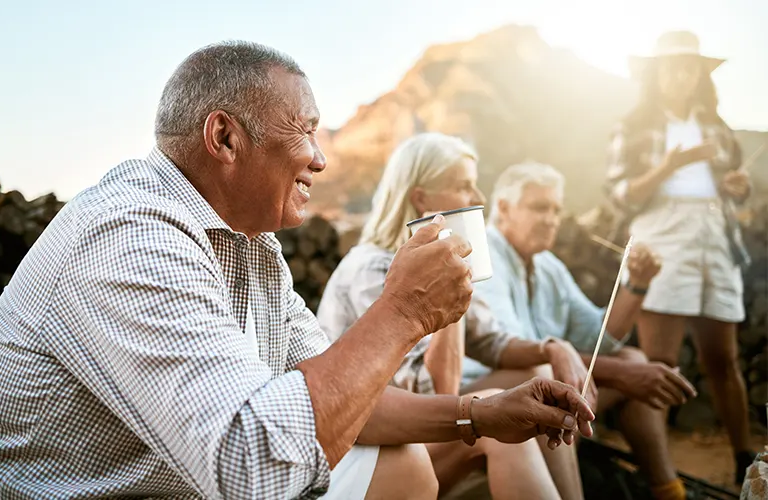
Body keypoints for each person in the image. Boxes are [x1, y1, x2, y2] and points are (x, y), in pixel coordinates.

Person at [0, 41, 595, 500]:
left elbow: (348, 400)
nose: (321, 159)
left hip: (185, 477)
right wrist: (404, 312)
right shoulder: (129, 236)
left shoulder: (251, 247)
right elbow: (251, 468)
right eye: (306, 131)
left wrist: (480, 414)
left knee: (402, 466)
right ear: (225, 138)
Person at [318, 132, 597, 500]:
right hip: (370, 451)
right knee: (500, 428)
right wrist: (452, 283)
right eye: (464, 186)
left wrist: (553, 347)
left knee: (539, 377)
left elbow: (492, 343)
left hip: (414, 428)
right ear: (421, 199)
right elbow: (440, 392)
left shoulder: (436, 264)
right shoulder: (373, 270)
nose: (479, 198)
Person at [474, 162, 697, 500]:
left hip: (538, 376)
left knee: (632, 359)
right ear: (503, 208)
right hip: (486, 391)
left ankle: (668, 491)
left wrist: (637, 285)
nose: (551, 219)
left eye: (556, 210)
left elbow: (597, 339)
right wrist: (621, 374)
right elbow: (517, 352)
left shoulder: (547, 265)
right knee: (547, 384)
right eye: (539, 208)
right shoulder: (486, 259)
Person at [605, 30, 755, 485]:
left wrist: (737, 188)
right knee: (660, 362)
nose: (681, 75)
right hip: (662, 235)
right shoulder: (633, 127)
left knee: (723, 358)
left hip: (714, 235)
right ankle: (661, 472)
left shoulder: (717, 127)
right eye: (672, 67)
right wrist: (668, 167)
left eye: (689, 67)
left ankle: (744, 459)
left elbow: (734, 184)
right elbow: (620, 195)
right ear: (656, 74)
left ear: (699, 75)